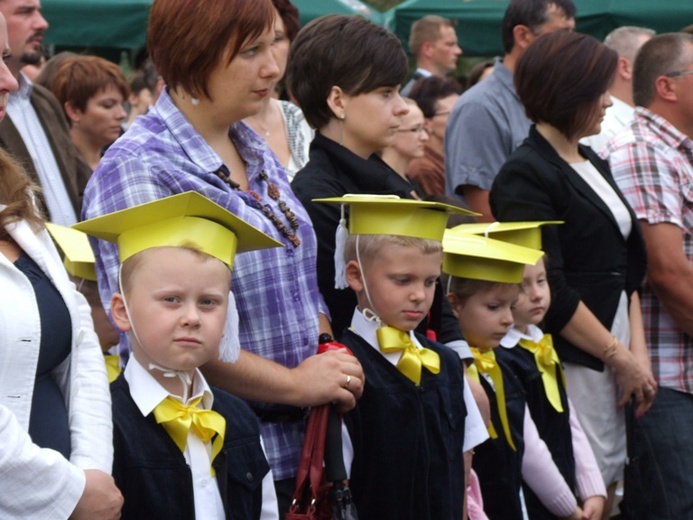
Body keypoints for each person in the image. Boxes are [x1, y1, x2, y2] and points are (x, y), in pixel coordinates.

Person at [81, 1, 364, 516]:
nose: (273, 68)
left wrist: (325, 350)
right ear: (195, 54)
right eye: (251, 51)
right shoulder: (139, 167)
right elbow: (170, 329)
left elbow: (299, 276)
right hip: (214, 457)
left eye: (274, 45)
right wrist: (297, 384)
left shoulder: (249, 143)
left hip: (309, 448)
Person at [489, 30, 656, 518]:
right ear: (568, 92)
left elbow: (626, 269)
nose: (608, 102)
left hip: (614, 350)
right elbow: (547, 287)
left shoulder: (590, 159)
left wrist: (635, 355)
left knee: (614, 487)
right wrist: (618, 355)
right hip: (573, 358)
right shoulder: (525, 174)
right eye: (599, 91)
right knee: (588, 487)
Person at [77, 192, 280, 519]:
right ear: (122, 311)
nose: (192, 317)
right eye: (171, 299)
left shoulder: (240, 419)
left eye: (208, 302)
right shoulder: (100, 427)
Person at [290, 15, 476, 357]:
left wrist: (459, 358)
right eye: (385, 93)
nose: (402, 107)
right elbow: (342, 310)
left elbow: (433, 291)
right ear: (338, 101)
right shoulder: (316, 197)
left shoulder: (391, 182)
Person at [0, 11, 122, 519]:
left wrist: (92, 471)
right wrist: (64, 494)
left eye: (5, 60)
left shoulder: (11, 188)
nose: (10, 80)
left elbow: (78, 338)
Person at [315, 196, 479, 520]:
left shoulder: (446, 363)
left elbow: (462, 461)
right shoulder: (343, 370)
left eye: (431, 281)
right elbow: (337, 489)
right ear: (356, 276)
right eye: (403, 280)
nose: (420, 295)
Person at [455, 222, 606, 520]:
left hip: (561, 493)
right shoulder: (500, 358)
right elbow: (530, 450)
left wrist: (592, 487)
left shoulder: (539, 342)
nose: (536, 295)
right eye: (522, 287)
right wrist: (568, 508)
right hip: (531, 500)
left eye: (542, 280)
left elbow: (569, 419)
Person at [608, 32, 693, 519]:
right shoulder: (646, 151)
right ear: (668, 86)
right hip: (666, 380)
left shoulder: (676, 152)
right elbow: (668, 273)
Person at [445, 0, 576, 221]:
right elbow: (484, 214)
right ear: (523, 36)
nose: (572, 45)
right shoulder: (481, 107)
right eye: (562, 34)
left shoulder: (551, 100)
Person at [0, 0, 91, 226]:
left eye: (39, 11)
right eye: (24, 12)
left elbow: (82, 186)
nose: (42, 23)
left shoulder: (45, 101)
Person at [244, 0, 313, 179]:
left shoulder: (300, 119)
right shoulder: (220, 126)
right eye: (253, 45)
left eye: (277, 39)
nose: (269, 54)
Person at [581, 26, 655, 155]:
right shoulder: (602, 129)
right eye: (654, 61)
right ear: (625, 67)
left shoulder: (643, 121)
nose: (664, 69)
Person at [48, 55, 129, 171]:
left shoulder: (119, 165)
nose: (122, 114)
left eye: (122, 104)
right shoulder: (57, 170)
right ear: (74, 110)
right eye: (108, 105)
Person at [407, 75, 463, 197]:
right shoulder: (425, 169)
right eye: (453, 113)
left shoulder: (450, 157)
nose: (462, 118)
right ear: (427, 123)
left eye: (462, 110)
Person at [400, 15, 462, 97]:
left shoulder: (449, 89)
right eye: (450, 44)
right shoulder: (411, 96)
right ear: (427, 49)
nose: (459, 51)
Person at [380, 97, 429, 186]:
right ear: (392, 131)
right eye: (415, 129)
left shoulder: (407, 180)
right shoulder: (382, 185)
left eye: (424, 128)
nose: (425, 137)